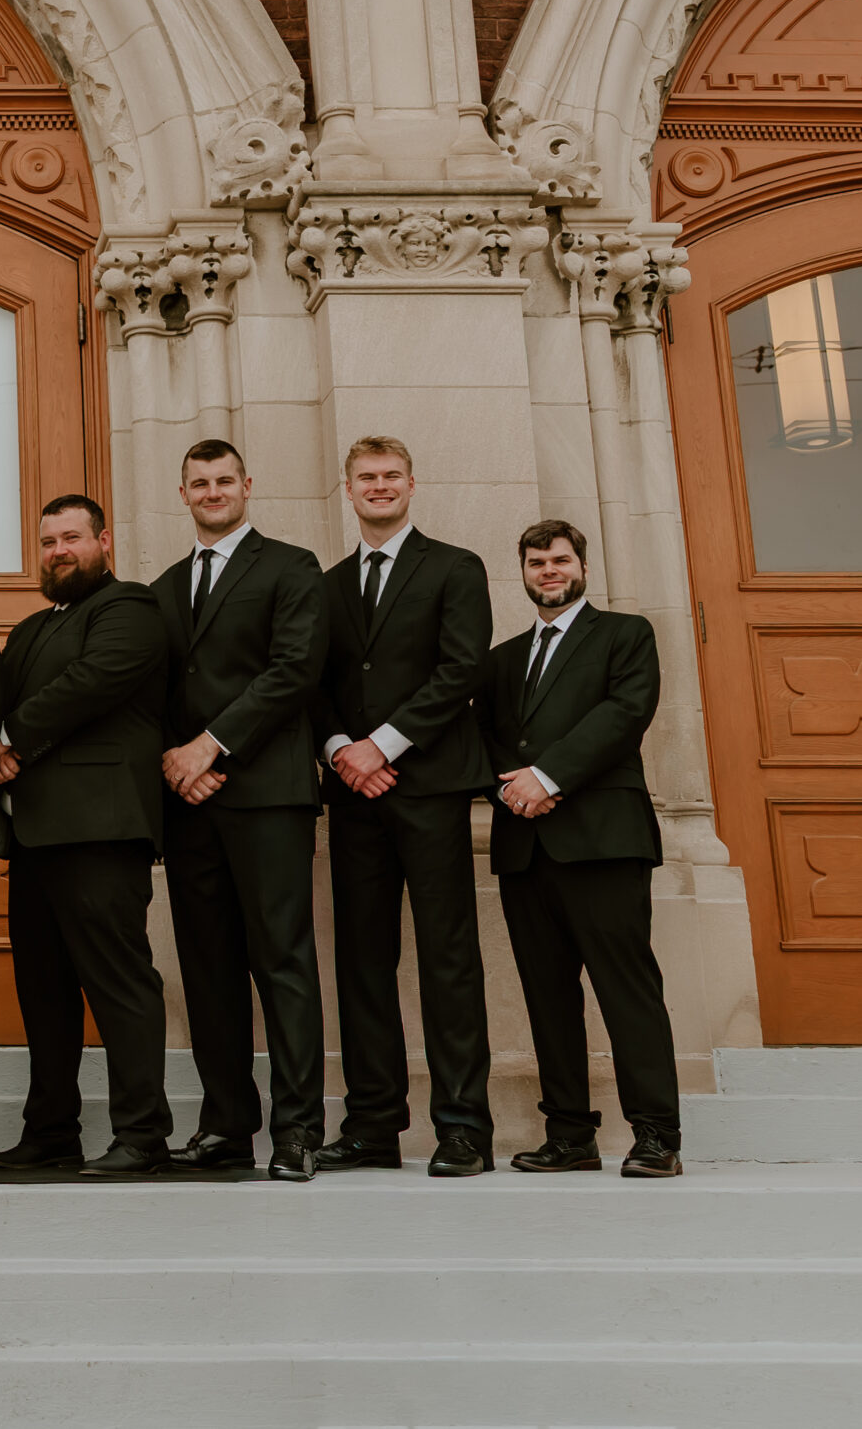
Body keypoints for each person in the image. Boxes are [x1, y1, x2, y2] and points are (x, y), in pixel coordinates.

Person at [312, 436, 498, 1176]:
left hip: (430, 788)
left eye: (391, 476)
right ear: (348, 489)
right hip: (353, 796)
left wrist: (380, 746)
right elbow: (314, 681)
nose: (379, 486)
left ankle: (462, 1127)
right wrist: (338, 751)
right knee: (362, 959)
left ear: (412, 484)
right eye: (367, 477)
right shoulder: (325, 585)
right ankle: (371, 1124)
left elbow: (462, 668)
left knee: (449, 958)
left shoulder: (455, 567)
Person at [481, 520, 682, 1178]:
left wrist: (549, 776)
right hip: (525, 847)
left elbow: (624, 714)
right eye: (536, 560)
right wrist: (517, 792)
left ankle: (656, 1134)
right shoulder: (503, 658)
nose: (548, 570)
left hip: (603, 843)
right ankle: (568, 1133)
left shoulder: (626, 636)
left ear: (583, 569)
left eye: (560, 559)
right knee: (548, 997)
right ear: (525, 571)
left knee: (627, 990)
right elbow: (485, 740)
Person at [155, 439, 332, 1182]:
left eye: (225, 479)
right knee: (208, 969)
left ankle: (297, 1130)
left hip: (267, 793)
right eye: (200, 482)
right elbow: (154, 686)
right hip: (191, 805)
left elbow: (294, 668)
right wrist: (176, 760)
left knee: (282, 961)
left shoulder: (292, 567)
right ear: (183, 492)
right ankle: (226, 1122)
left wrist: (210, 745)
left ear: (247, 485)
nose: (214, 490)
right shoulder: (163, 587)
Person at [0, 495, 174, 1177]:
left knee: (120, 982)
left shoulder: (129, 607)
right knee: (45, 989)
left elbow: (93, 682)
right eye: (47, 541)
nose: (58, 550)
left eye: (71, 537)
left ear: (104, 540)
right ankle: (51, 1130)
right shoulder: (31, 628)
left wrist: (6, 738)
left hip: (100, 826)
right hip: (32, 833)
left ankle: (144, 1133)